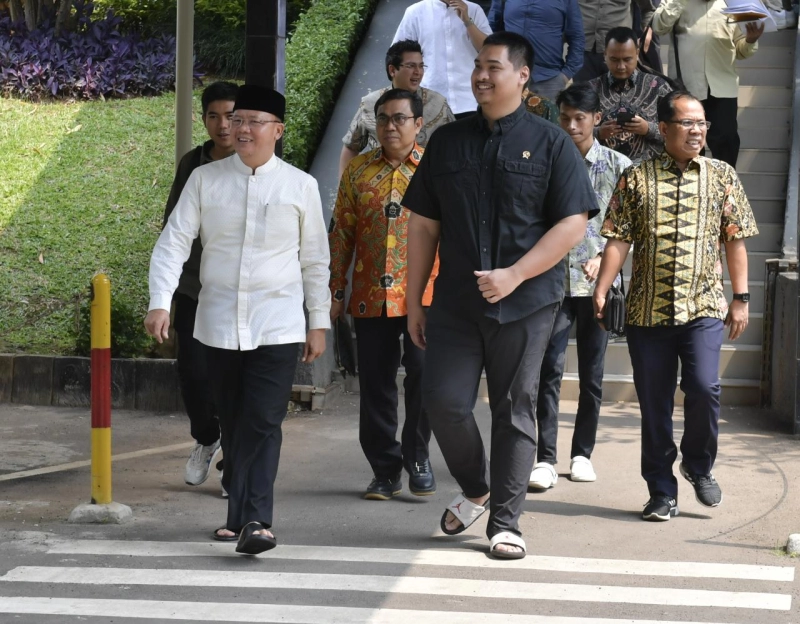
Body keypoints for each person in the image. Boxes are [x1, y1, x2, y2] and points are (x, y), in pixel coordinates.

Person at [403, 31, 596, 559]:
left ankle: (506, 524)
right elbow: (423, 225)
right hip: (456, 304)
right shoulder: (447, 140)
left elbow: (573, 224)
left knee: (514, 409)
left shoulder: (552, 141)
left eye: (493, 67)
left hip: (527, 303)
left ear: (522, 74)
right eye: (477, 67)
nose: (481, 76)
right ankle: (476, 490)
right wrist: (414, 297)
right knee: (442, 402)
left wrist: (515, 274)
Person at [145, 85, 331, 554]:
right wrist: (160, 300)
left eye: (253, 121)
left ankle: (257, 521)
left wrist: (317, 320)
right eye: (237, 120)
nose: (240, 129)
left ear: (278, 130)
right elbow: (174, 242)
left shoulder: (300, 186)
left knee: (264, 420)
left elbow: (315, 261)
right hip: (218, 322)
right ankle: (237, 518)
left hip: (279, 323)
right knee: (232, 420)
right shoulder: (205, 180)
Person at [593, 90, 758, 521]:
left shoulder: (722, 175)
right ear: (663, 129)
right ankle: (661, 492)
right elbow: (618, 237)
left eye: (701, 123)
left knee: (705, 388)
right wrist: (602, 287)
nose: (697, 131)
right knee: (654, 405)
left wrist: (740, 299)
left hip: (702, 306)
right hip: (647, 311)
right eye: (687, 123)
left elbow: (735, 239)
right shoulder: (636, 177)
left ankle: (698, 465)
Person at [330, 89, 438, 501]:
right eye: (382, 119)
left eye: (399, 119)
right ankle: (384, 469)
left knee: (424, 378)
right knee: (375, 385)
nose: (390, 127)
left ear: (418, 124)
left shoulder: (435, 169)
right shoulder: (357, 170)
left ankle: (418, 456)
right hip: (369, 294)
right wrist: (335, 287)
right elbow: (341, 232)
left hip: (424, 297)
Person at [529, 83, 631, 490]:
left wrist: (604, 256)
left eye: (580, 119)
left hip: (599, 284)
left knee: (592, 372)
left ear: (596, 119)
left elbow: (630, 227)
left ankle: (582, 453)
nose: (571, 126)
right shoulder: (545, 160)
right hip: (553, 279)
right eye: (566, 117)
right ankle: (545, 458)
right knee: (547, 369)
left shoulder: (620, 166)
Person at [162, 80, 238, 493]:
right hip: (194, 286)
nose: (223, 124)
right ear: (204, 118)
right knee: (192, 372)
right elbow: (172, 226)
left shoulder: (255, 160)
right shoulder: (193, 163)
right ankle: (207, 437)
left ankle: (235, 464)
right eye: (214, 116)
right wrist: (165, 288)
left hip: (238, 290)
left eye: (230, 115)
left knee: (233, 376)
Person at [651, 0, 764, 167]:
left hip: (722, 87)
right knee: (687, 142)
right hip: (687, 87)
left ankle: (726, 188)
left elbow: (741, 51)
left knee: (726, 142)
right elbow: (659, 26)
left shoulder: (733, 4)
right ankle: (689, 188)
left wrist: (750, 40)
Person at [338, 40, 455, 179]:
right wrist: (344, 189)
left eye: (421, 66)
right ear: (392, 70)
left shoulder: (437, 103)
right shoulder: (370, 104)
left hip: (427, 188)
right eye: (411, 66)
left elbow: (457, 146)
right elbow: (351, 147)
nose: (418, 72)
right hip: (379, 189)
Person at [393, 0, 492, 118]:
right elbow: (398, 55)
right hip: (430, 99)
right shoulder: (415, 12)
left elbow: (489, 52)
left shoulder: (474, 10)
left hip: (470, 99)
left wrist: (468, 21)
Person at [589, 27, 674, 164]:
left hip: (652, 171)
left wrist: (648, 128)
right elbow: (572, 132)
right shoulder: (591, 89)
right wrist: (598, 133)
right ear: (605, 55)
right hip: (604, 172)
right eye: (614, 60)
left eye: (627, 59)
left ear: (637, 54)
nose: (621, 66)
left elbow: (678, 132)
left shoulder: (658, 87)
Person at [488, 0, 585, 101]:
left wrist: (566, 74)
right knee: (506, 116)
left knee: (548, 116)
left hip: (549, 79)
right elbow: (491, 29)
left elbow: (577, 37)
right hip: (510, 74)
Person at [574, 0, 656, 82]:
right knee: (582, 92)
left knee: (619, 93)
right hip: (582, 50)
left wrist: (647, 30)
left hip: (619, 53)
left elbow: (647, 9)